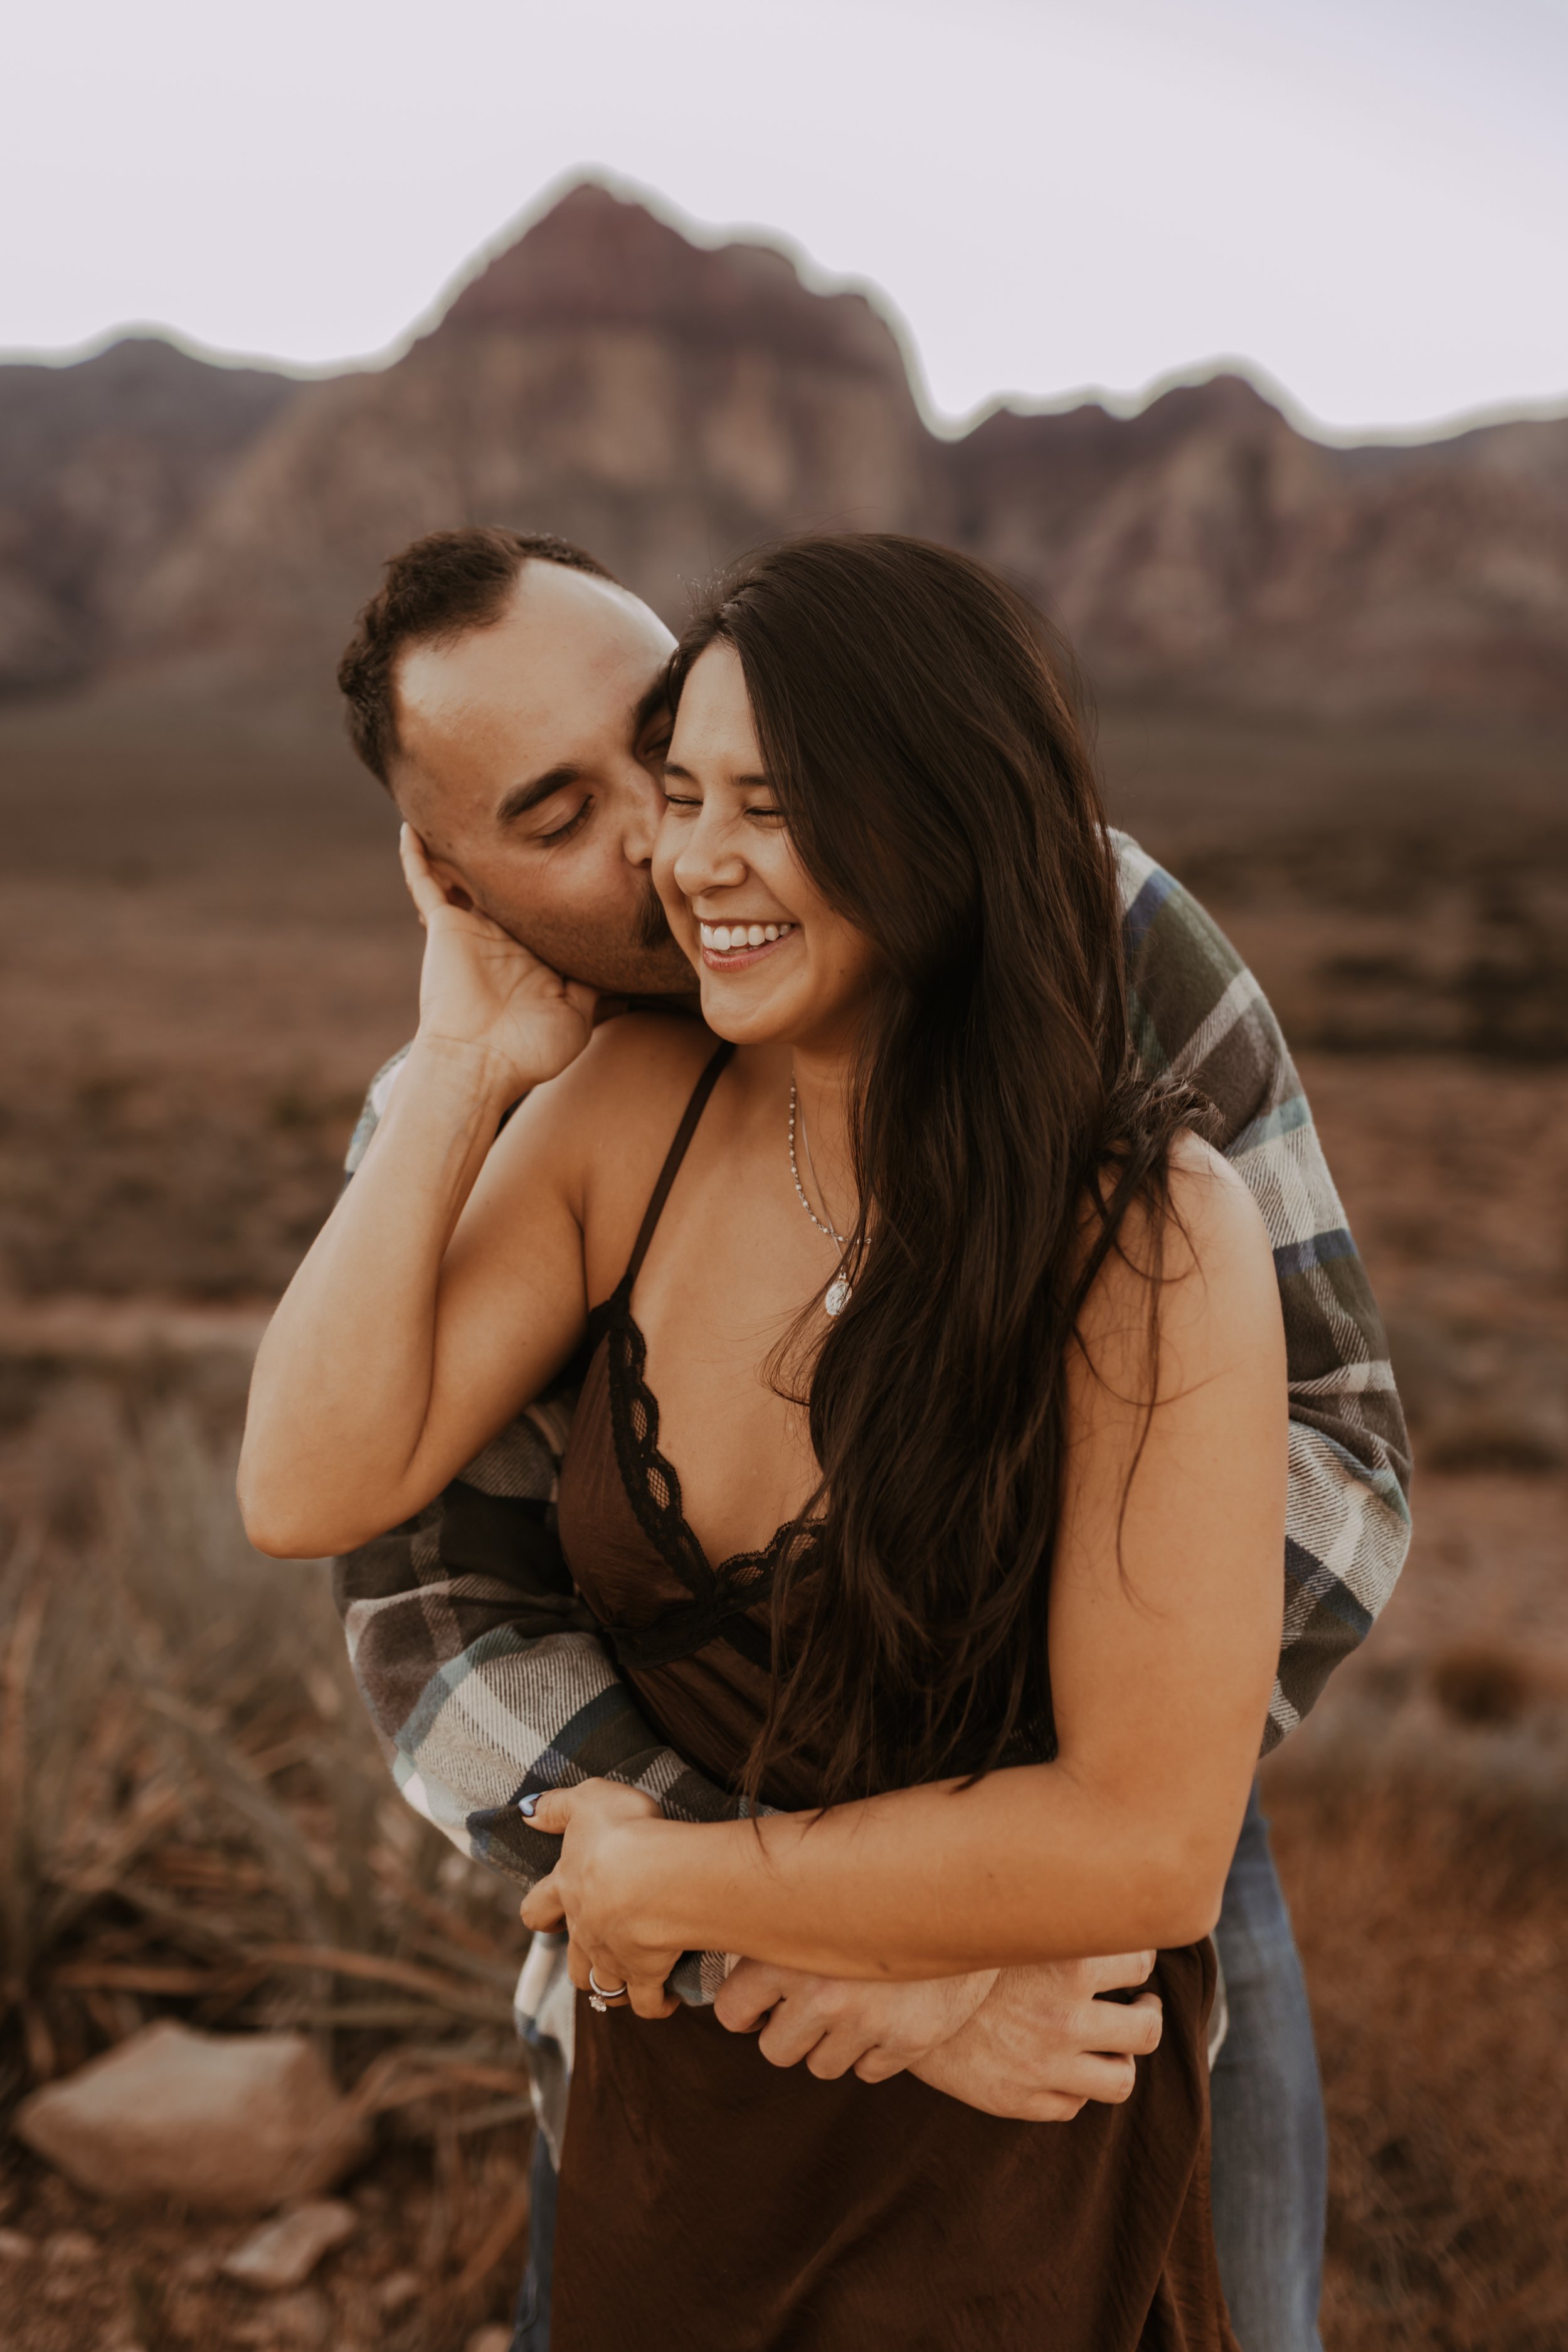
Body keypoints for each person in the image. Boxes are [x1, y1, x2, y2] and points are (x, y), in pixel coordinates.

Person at [241, 532, 1409, 2348]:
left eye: (695, 756)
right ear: (451, 885)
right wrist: (784, 1937)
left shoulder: (1098, 966)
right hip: (684, 2006)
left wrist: (1010, 1875)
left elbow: (1328, 1453)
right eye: (568, 814)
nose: (667, 843)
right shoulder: (542, 1109)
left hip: (1077, 1981)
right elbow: (390, 1564)